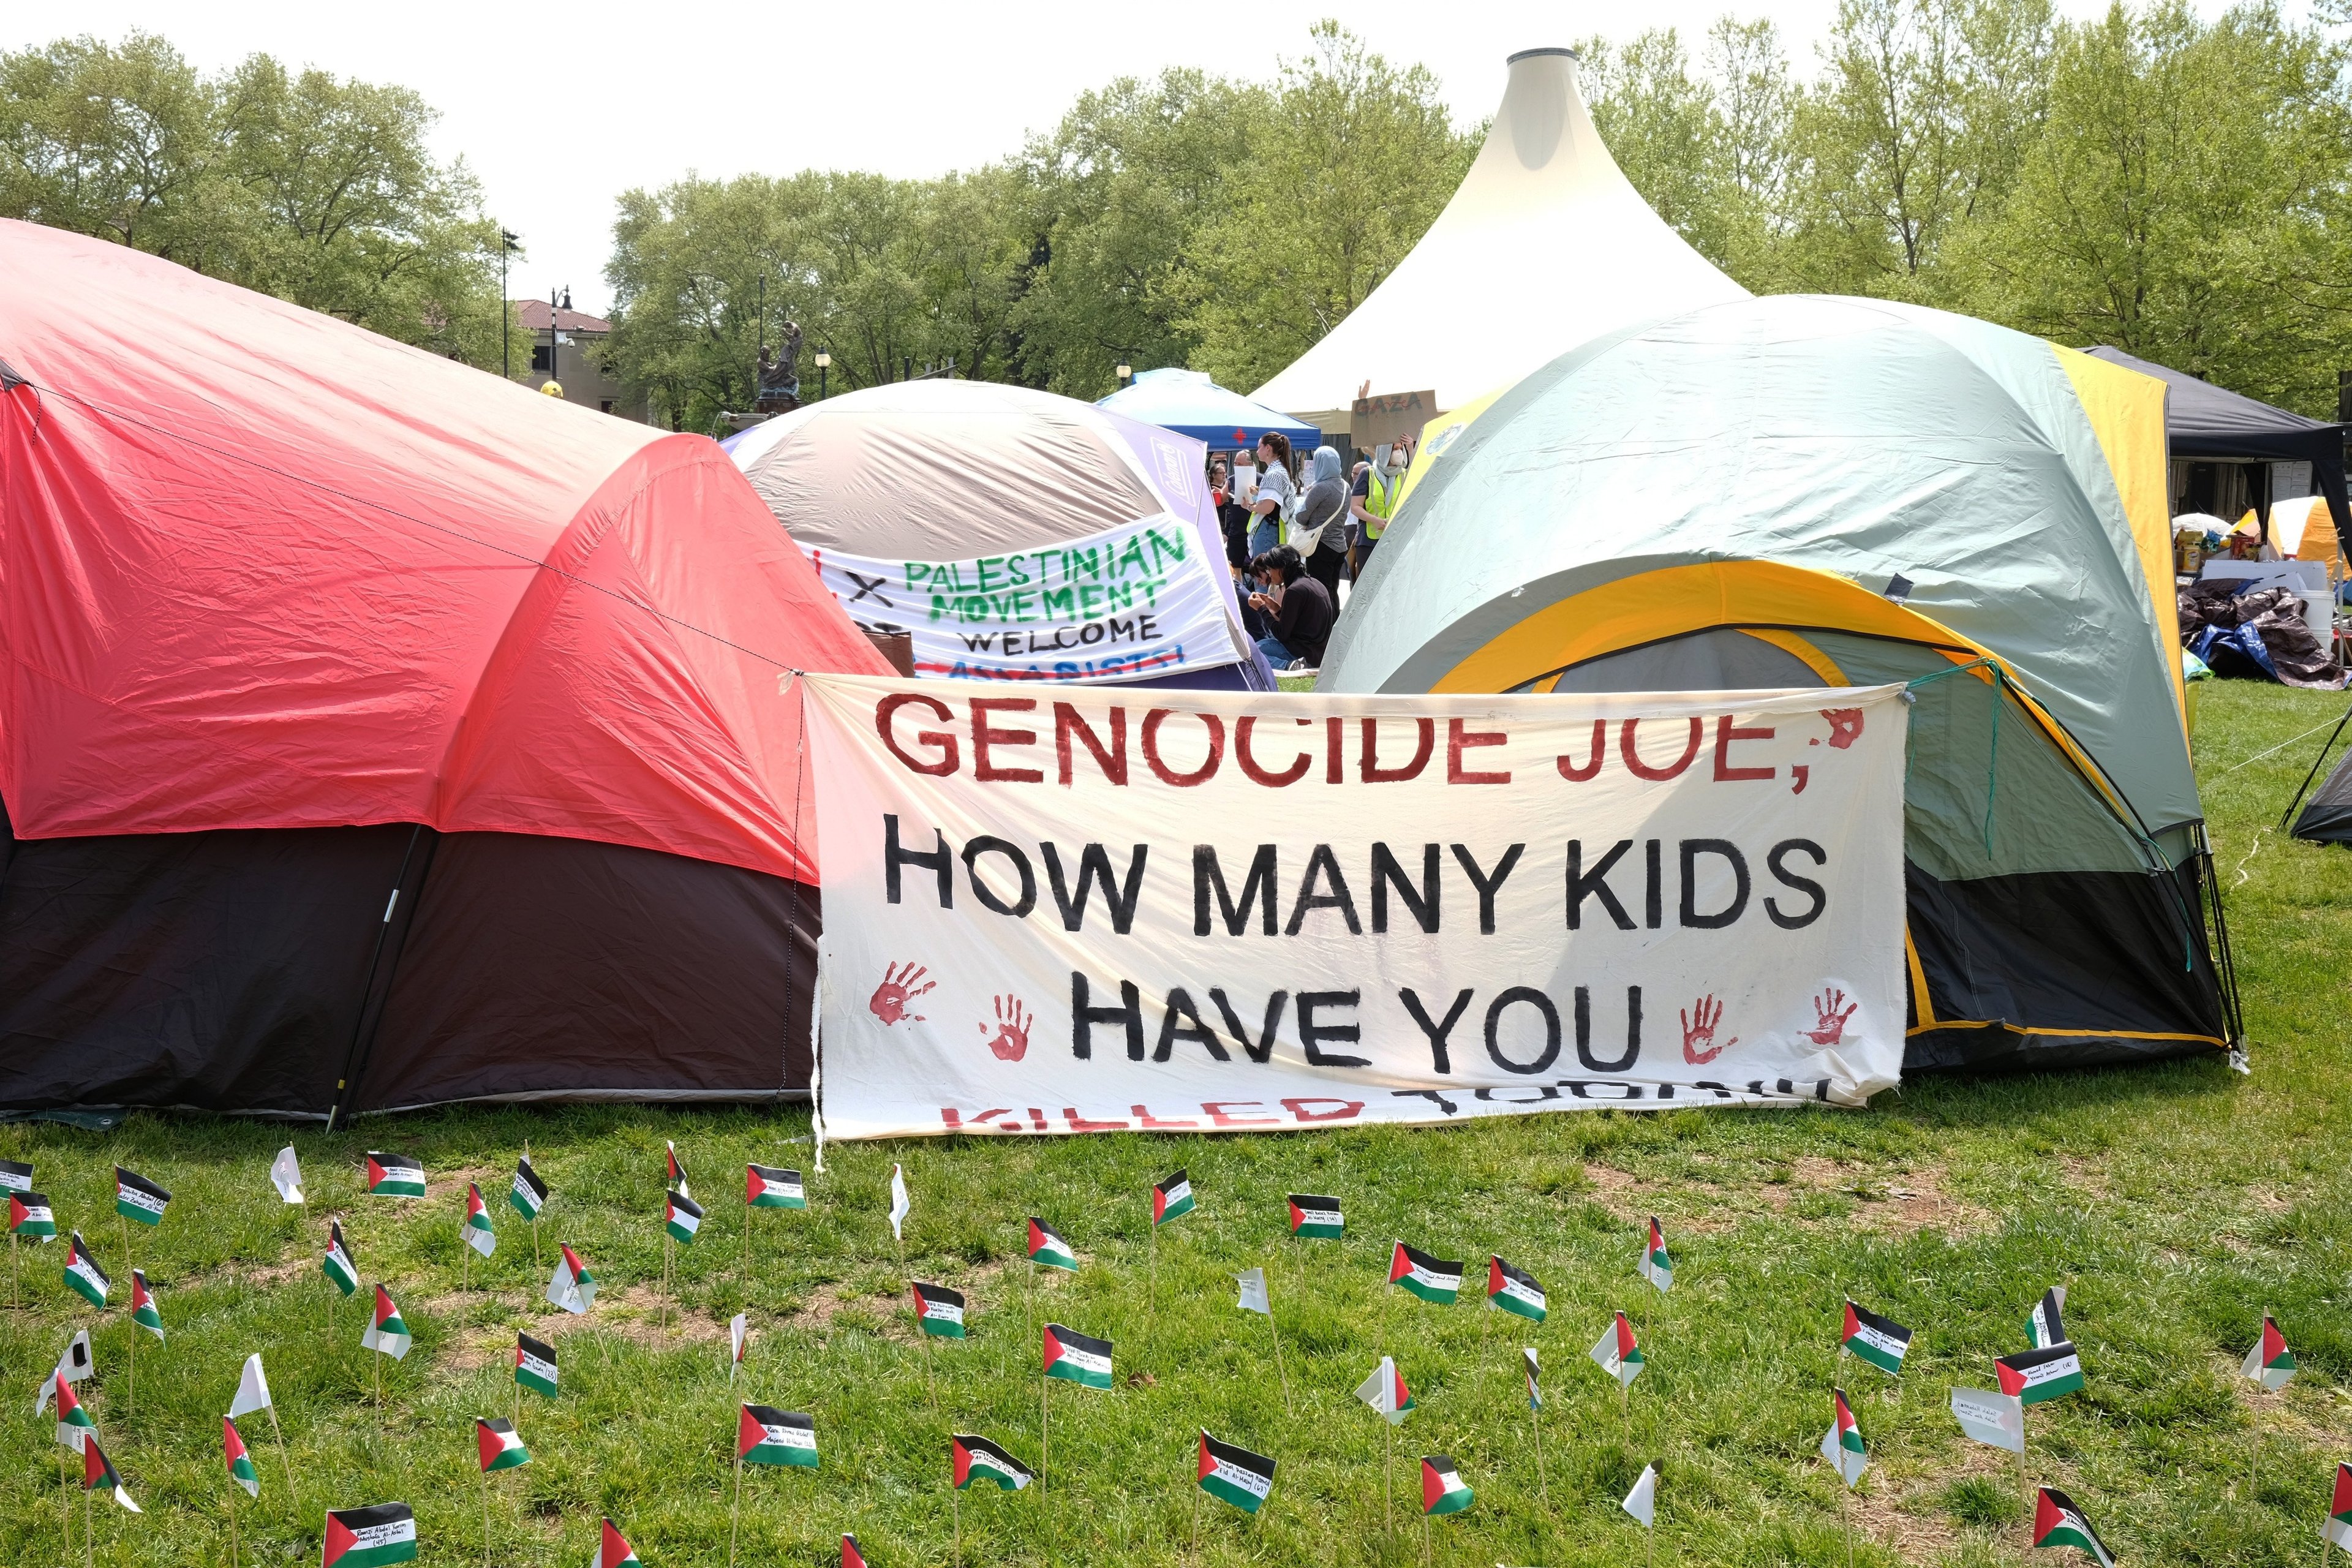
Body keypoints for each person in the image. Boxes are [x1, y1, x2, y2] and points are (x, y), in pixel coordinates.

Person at [1245, 546, 1335, 671]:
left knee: (1251, 652)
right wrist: (1275, 608)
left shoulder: (1294, 591)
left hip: (1304, 653)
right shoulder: (1314, 582)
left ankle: (1287, 666)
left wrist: (1262, 609)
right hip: (1319, 652)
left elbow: (1282, 634)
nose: (1270, 574)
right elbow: (1301, 624)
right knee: (1258, 646)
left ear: (1281, 568)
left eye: (1270, 570)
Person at [1291, 445, 1350, 606]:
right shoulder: (1346, 486)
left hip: (1321, 545)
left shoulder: (1320, 488)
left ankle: (1324, 627)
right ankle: (1334, 624)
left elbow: (1301, 517)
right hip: (1340, 544)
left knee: (1321, 591)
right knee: (1333, 589)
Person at [1350, 437, 1409, 576]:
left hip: (1396, 539)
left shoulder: (1404, 474)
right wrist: (1374, 520)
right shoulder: (1368, 473)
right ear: (1385, 451)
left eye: (1401, 448)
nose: (1399, 452)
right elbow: (1355, 507)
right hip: (1369, 542)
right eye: (1395, 449)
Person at [1248, 433, 1293, 558]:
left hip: (1268, 529)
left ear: (1268, 448)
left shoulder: (1274, 473)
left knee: (1265, 573)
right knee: (1268, 573)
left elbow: (1268, 507)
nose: (1257, 451)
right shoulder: (1280, 470)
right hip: (1273, 528)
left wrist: (1249, 507)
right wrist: (1259, 493)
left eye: (1259, 447)